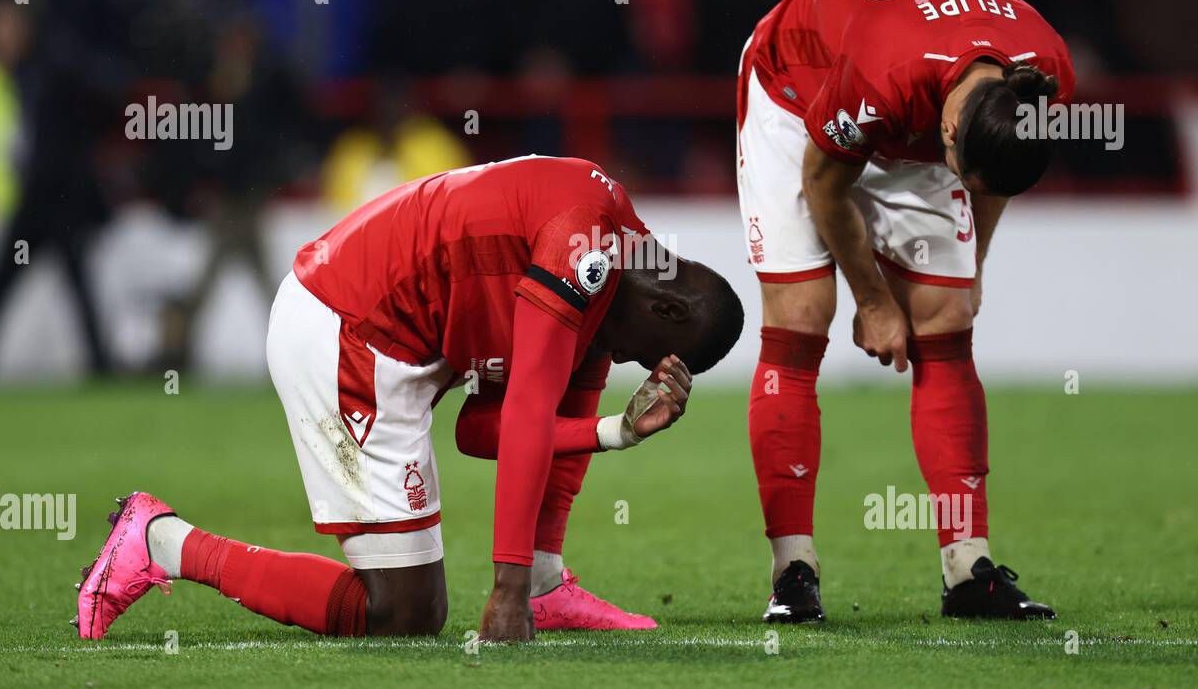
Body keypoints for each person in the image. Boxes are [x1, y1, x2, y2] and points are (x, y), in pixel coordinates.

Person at [76, 155, 744, 642]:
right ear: (669, 309)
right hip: (349, 330)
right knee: (402, 614)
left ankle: (548, 582)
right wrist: (504, 592)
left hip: (391, 339)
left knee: (416, 604)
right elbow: (525, 416)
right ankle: (162, 542)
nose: (631, 359)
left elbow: (480, 430)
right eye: (648, 351)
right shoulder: (586, 253)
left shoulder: (615, 264)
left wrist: (612, 433)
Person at [737, 0, 1074, 622]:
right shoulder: (884, 71)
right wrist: (872, 300)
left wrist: (974, 262)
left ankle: (968, 570)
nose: (966, 188)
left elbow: (994, 175)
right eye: (960, 172)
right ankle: (792, 572)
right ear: (949, 130)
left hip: (911, 101)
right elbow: (824, 181)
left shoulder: (1043, 74)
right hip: (797, 93)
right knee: (802, 315)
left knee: (947, 318)